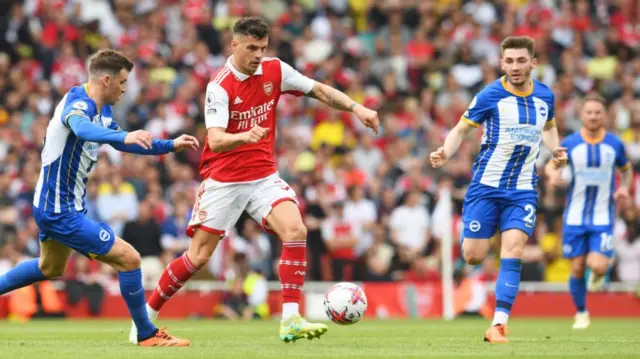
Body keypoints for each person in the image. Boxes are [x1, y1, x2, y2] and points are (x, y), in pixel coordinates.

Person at [129, 16, 379, 344]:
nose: (258, 54)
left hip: (262, 175)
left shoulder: (275, 69)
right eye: (251, 48)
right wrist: (246, 135)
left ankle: (290, 319)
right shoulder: (219, 85)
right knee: (198, 257)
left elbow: (317, 90)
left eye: (262, 47)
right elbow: (215, 140)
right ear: (234, 45)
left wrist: (355, 107)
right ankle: (144, 321)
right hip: (224, 179)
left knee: (296, 230)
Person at [0, 49, 199, 347]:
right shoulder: (77, 102)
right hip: (59, 210)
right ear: (105, 80)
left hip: (57, 206)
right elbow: (80, 127)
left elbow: (129, 143)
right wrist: (123, 137)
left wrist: (169, 145)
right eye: (121, 82)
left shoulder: (103, 113)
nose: (124, 89)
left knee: (50, 268)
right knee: (129, 259)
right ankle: (145, 333)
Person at [430, 36, 568, 343]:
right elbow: (461, 129)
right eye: (510, 61)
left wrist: (555, 149)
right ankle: (473, 236)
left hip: (522, 190)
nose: (515, 67)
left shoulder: (545, 95)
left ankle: (498, 324)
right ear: (501, 63)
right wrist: (445, 152)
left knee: (513, 250)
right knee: (473, 256)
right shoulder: (489, 95)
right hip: (486, 188)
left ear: (533, 63)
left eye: (521, 61)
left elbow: (549, 128)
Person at [546, 93, 632, 329]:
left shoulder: (614, 144)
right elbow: (550, 165)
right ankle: (582, 312)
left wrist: (624, 188)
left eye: (597, 112)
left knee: (597, 265)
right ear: (582, 115)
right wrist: (553, 175)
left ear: (604, 115)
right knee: (576, 267)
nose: (593, 116)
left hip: (603, 216)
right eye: (589, 112)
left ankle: (598, 273)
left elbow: (626, 169)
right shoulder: (571, 143)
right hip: (574, 216)